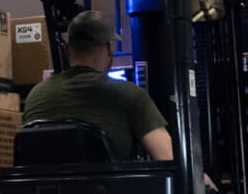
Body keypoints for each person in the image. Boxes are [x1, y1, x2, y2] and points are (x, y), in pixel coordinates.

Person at [21, 10, 172, 161]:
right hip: (108, 185)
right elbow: (166, 157)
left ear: (67, 49)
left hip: (45, 184)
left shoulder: (36, 94)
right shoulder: (129, 94)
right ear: (109, 49)